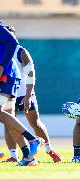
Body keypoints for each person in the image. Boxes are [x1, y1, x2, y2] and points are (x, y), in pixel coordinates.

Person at [2, 25, 61, 163]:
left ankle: (49, 149)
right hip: (9, 91)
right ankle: (13, 155)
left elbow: (30, 73)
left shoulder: (20, 51)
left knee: (34, 122)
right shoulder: (2, 50)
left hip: (23, 92)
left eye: (9, 34)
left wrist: (28, 95)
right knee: (8, 123)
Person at [0, 22, 41, 166]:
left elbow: (12, 42)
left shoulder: (20, 51)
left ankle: (33, 140)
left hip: (6, 77)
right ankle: (27, 156)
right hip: (10, 77)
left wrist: (1, 66)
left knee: (3, 115)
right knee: (8, 118)